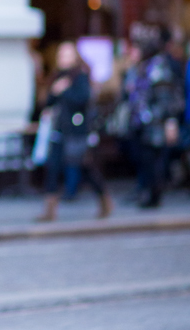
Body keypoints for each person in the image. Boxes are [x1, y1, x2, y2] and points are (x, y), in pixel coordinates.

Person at [37, 41, 112, 222]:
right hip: (59, 130)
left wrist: (64, 91)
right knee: (53, 167)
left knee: (83, 167)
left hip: (76, 131)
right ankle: (50, 210)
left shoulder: (80, 76)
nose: (63, 58)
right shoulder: (57, 76)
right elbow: (48, 102)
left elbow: (82, 99)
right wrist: (55, 92)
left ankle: (104, 200)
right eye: (61, 55)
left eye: (67, 54)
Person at [126, 27, 184, 208]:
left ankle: (154, 196)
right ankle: (147, 192)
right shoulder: (143, 67)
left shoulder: (158, 67)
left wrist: (169, 121)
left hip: (155, 123)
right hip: (143, 122)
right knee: (145, 160)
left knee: (154, 161)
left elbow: (165, 97)